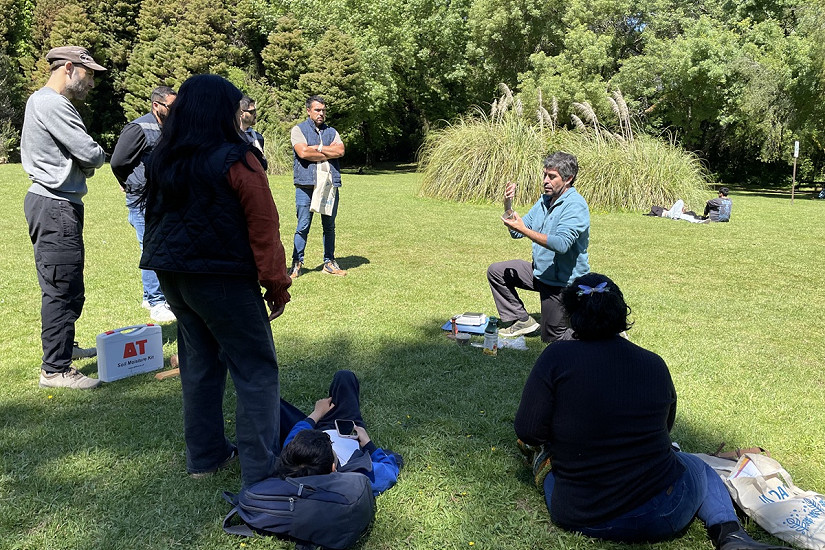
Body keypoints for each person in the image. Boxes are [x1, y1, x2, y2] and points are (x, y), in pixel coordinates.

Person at [514, 273, 787, 550]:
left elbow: (529, 432)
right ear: (621, 313)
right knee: (699, 468)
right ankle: (731, 536)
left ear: (571, 315)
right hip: (663, 512)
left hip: (582, 514)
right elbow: (665, 428)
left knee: (551, 469)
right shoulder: (654, 363)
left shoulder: (555, 358)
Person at [138, 74, 292, 488]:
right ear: (223, 111)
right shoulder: (238, 159)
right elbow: (264, 226)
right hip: (222, 277)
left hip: (173, 276)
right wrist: (276, 284)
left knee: (200, 364)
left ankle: (205, 456)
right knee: (256, 369)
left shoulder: (163, 157)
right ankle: (261, 472)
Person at [22, 46, 107, 390]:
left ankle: (64, 348)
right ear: (69, 68)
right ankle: (55, 369)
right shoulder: (52, 103)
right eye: (88, 75)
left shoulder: (46, 103)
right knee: (60, 286)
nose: (91, 83)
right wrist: (89, 159)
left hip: (58, 204)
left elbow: (82, 154)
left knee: (69, 283)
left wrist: (83, 159)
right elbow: (91, 153)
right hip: (55, 205)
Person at [487, 152, 590, 343]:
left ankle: (605, 332)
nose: (545, 181)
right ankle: (522, 320)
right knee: (497, 272)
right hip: (540, 273)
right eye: (544, 175)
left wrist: (524, 229)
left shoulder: (575, 206)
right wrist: (508, 206)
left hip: (563, 283)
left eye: (552, 176)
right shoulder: (544, 201)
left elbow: (561, 244)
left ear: (568, 179)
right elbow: (517, 232)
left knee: (552, 337)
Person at [110, 86, 178, 323]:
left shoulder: (169, 128)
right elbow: (118, 161)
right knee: (150, 248)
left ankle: (155, 297)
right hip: (142, 199)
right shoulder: (138, 128)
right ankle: (155, 302)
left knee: (163, 246)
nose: (176, 111)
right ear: (156, 105)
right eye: (172, 107)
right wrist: (128, 183)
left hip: (163, 198)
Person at [277, 370, 402, 496]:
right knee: (345, 377)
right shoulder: (357, 474)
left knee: (277, 405)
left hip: (318, 428)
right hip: (349, 428)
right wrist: (368, 444)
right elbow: (389, 471)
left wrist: (317, 413)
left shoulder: (293, 460)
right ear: (333, 468)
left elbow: (295, 436)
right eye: (331, 445)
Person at [289, 95, 347, 278]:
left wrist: (319, 149)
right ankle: (297, 263)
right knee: (303, 225)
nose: (321, 113)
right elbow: (303, 152)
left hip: (329, 184)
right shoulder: (298, 130)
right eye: (317, 110)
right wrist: (327, 151)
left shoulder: (332, 131)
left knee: (329, 226)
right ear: (308, 111)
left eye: (323, 110)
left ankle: (329, 262)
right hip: (306, 184)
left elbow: (340, 151)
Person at [238, 95, 267, 171]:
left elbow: (263, 166)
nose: (255, 115)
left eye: (255, 111)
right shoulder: (230, 136)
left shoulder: (258, 138)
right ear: (241, 113)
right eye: (252, 112)